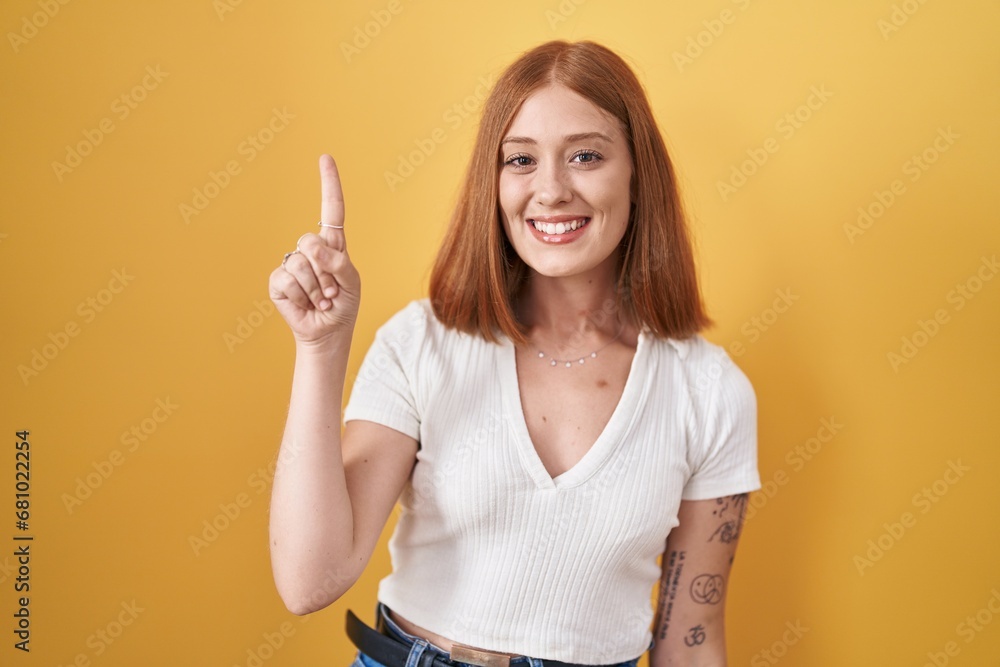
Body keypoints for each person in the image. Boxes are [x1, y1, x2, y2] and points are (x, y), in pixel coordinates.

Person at [267, 40, 761, 667]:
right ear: (493, 183)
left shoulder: (710, 391)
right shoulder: (421, 344)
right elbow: (309, 580)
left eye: (585, 155)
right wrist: (321, 346)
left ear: (638, 173)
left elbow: (691, 644)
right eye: (521, 160)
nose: (550, 190)